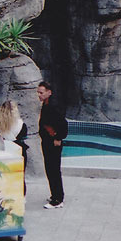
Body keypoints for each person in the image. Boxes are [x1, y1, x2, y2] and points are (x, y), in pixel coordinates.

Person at [0, 100, 29, 194]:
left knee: (1, 177)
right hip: (17, 153)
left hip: (0, 153)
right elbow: (24, 136)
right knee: (19, 176)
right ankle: (20, 199)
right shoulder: (21, 125)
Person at [37, 81, 67, 209]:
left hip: (53, 142)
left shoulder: (54, 106)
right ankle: (54, 194)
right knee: (49, 169)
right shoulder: (46, 104)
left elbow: (63, 123)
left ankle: (58, 199)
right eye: (38, 92)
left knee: (54, 169)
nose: (39, 95)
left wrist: (58, 137)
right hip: (47, 141)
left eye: (41, 92)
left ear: (49, 92)